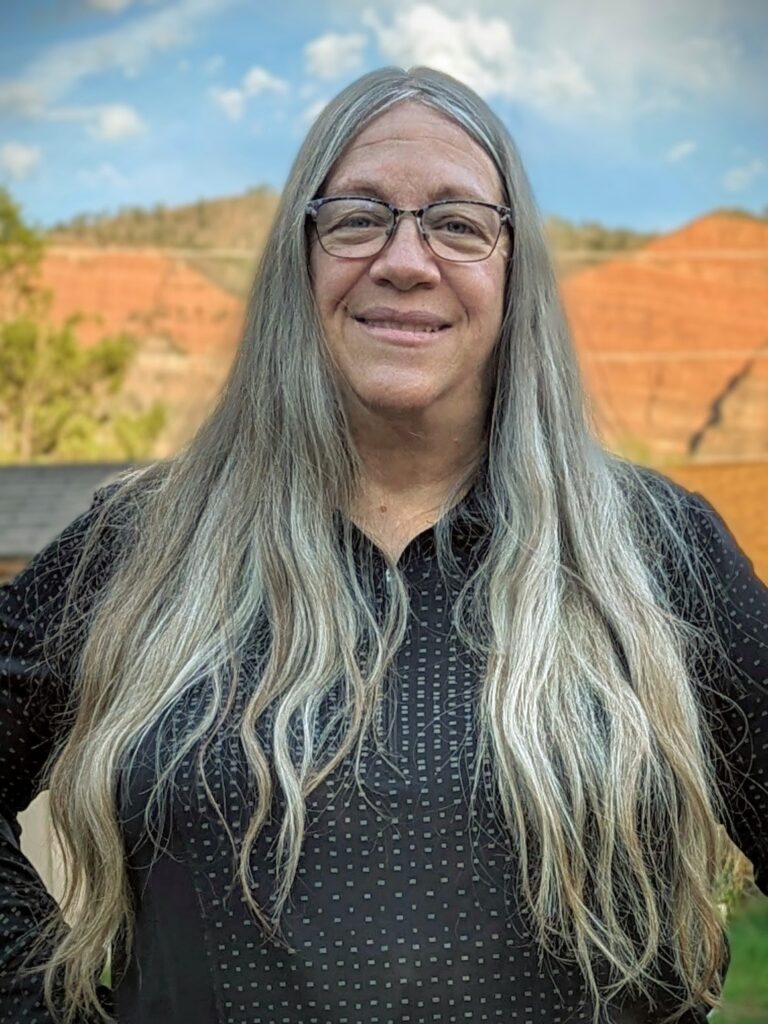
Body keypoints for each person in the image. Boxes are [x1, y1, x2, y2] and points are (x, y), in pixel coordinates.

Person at [0, 65, 766, 1024]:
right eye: (359, 215)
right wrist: (40, 1001)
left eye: (458, 223)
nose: (406, 259)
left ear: (513, 269)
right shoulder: (141, 542)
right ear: (301, 256)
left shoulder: (658, 549)